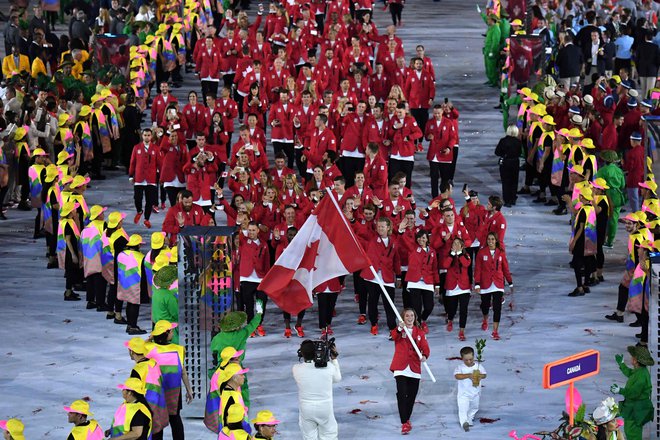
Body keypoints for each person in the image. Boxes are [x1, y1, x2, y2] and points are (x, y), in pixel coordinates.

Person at [146, 320, 194, 440]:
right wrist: (189, 390)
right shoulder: (178, 349)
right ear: (167, 333)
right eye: (171, 330)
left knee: (157, 420)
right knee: (175, 419)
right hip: (174, 393)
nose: (173, 332)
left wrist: (150, 337)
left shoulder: (148, 348)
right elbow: (183, 372)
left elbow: (135, 348)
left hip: (156, 392)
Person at [390, 308, 430, 435]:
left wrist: (424, 356)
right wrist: (400, 328)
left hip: (414, 367)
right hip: (400, 367)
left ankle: (406, 418)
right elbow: (394, 336)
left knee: (411, 396)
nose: (409, 317)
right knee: (402, 394)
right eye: (407, 315)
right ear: (403, 317)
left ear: (415, 317)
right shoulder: (399, 330)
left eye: (412, 315)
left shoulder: (420, 333)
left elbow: (425, 348)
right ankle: (404, 422)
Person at [293, 340, 341, 440]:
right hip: (325, 408)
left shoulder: (296, 369)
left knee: (309, 436)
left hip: (306, 408)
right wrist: (334, 359)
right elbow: (337, 379)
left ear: (301, 353)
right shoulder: (329, 367)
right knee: (329, 435)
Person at [361, 216, 401, 335]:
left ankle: (392, 328)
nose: (380, 228)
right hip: (372, 277)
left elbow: (396, 260)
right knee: (372, 302)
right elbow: (360, 231)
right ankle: (374, 324)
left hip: (387, 278)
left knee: (389, 304)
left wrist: (398, 276)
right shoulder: (372, 239)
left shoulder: (393, 241)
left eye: (382, 226)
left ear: (388, 227)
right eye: (378, 226)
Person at [125, 337, 169, 438]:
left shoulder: (137, 370)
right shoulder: (154, 363)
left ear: (132, 352)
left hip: (146, 409)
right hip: (159, 406)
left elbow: (133, 393)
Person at [474, 232, 513, 340]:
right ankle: (485, 319)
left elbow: (505, 268)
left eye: (492, 239)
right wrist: (477, 283)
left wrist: (510, 281)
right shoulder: (481, 253)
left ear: (496, 241)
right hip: (485, 283)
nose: (490, 241)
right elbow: (478, 269)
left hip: (498, 283)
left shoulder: (501, 252)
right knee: (485, 305)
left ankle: (495, 330)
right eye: (489, 239)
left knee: (497, 307)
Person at [610, 346, 654, 440]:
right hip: (633, 408)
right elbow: (630, 373)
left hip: (637, 410)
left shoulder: (642, 376)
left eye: (632, 356)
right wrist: (622, 364)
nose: (631, 358)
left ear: (636, 360)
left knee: (633, 433)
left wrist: (620, 390)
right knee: (630, 431)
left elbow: (634, 393)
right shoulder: (639, 371)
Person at [402, 229, 439, 333]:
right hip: (414, 281)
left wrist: (437, 284)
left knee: (429, 306)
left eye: (423, 237)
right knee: (416, 307)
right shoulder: (413, 248)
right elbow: (404, 239)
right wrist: (401, 229)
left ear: (427, 239)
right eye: (419, 237)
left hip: (428, 281)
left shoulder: (432, 252)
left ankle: (422, 320)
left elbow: (435, 268)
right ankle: (417, 327)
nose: (421, 239)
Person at [129, 128, 161, 229]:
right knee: (137, 198)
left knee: (149, 200)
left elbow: (160, 163)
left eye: (148, 135)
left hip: (151, 178)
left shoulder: (156, 148)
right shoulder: (136, 147)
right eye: (145, 135)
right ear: (142, 136)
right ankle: (139, 211)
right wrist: (131, 175)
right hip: (139, 177)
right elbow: (133, 162)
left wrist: (161, 176)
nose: (147, 137)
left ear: (151, 137)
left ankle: (146, 219)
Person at [117, 234, 148, 335]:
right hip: (135, 285)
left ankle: (130, 325)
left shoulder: (121, 254)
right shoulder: (141, 257)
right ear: (138, 245)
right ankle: (133, 326)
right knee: (134, 305)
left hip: (123, 283)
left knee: (129, 304)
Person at [442, 237, 472, 341]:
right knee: (452, 308)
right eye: (453, 243)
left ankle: (462, 330)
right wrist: (451, 255)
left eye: (457, 243)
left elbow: (466, 264)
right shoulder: (448, 255)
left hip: (464, 286)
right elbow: (445, 265)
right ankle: (450, 319)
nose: (455, 245)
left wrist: (459, 254)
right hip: (452, 286)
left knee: (463, 310)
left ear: (462, 246)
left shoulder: (466, 255)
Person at [454, 346, 487, 432]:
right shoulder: (460, 367)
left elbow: (484, 375)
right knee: (463, 409)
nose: (469, 362)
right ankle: (464, 422)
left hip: (475, 393)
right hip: (463, 394)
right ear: (462, 359)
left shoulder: (478, 366)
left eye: (471, 359)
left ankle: (470, 418)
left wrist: (480, 376)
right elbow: (457, 376)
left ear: (474, 357)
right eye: (466, 360)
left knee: (474, 407)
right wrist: (468, 375)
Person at [494, 125, 522, 207]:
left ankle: (507, 200)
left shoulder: (503, 141)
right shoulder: (518, 141)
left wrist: (504, 154)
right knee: (514, 181)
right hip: (515, 162)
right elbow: (520, 153)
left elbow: (497, 152)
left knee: (506, 182)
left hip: (505, 162)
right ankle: (513, 198)